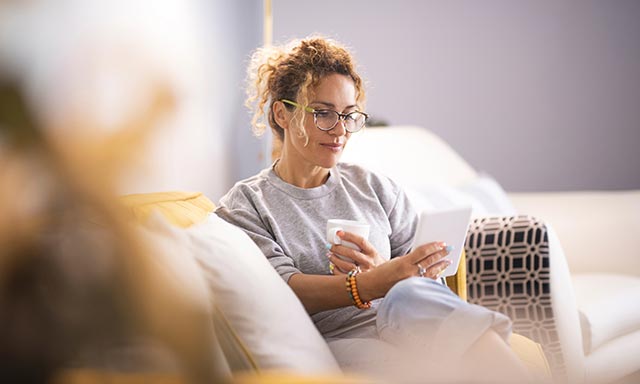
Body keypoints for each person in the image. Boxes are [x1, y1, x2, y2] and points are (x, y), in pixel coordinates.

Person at [215, 37, 530, 382]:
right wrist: (369, 284)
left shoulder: (375, 187)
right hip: (340, 339)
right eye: (322, 113)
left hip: (407, 321)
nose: (339, 131)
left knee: (412, 294)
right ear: (281, 113)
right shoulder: (247, 205)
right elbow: (282, 289)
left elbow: (427, 286)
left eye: (349, 116)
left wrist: (389, 273)